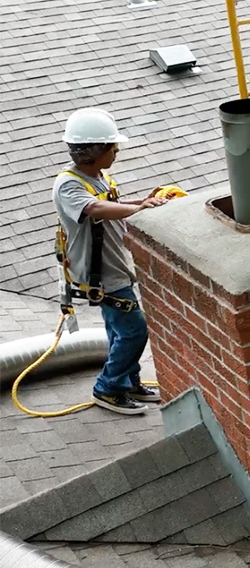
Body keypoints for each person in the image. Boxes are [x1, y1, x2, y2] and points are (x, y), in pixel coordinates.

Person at [53, 107, 166, 415]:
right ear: (93, 151)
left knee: (119, 331)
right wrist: (138, 209)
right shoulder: (69, 185)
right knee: (134, 331)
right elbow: (96, 210)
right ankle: (108, 387)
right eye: (111, 146)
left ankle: (128, 381)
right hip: (100, 276)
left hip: (115, 268)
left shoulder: (98, 177)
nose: (116, 151)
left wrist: (143, 202)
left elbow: (110, 204)